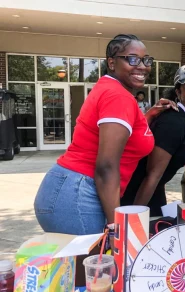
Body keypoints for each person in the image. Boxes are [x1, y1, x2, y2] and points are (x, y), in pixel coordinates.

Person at [34, 34, 174, 235]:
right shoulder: (118, 96)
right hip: (78, 195)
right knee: (97, 265)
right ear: (111, 62)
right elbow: (106, 165)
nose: (142, 66)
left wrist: (149, 115)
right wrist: (114, 225)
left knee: (84, 266)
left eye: (146, 60)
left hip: (68, 189)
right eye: (132, 59)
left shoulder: (111, 89)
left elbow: (126, 134)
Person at [121, 64, 185, 217]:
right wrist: (134, 218)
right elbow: (152, 175)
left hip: (155, 190)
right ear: (178, 92)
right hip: (136, 195)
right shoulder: (173, 123)